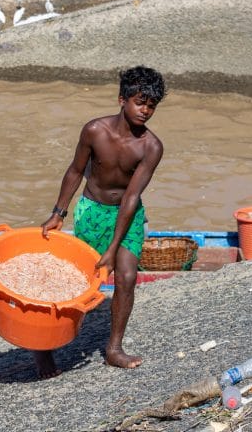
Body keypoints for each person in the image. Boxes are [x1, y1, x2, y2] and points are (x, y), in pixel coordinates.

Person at [40, 66, 166, 376]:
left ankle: (113, 349)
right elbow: (74, 171)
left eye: (151, 105)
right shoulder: (94, 131)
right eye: (140, 102)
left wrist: (113, 247)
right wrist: (58, 213)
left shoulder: (151, 147)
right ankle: (43, 347)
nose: (145, 111)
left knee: (125, 276)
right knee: (75, 278)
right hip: (92, 211)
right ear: (122, 99)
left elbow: (131, 197)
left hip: (128, 214)